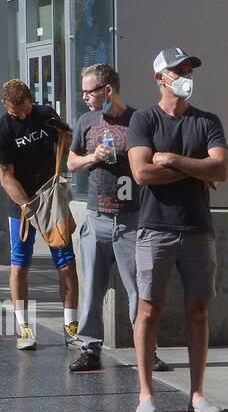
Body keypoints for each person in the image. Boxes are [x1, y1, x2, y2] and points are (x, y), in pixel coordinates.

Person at [126, 48, 228, 412]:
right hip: (154, 229)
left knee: (198, 311)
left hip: (197, 229)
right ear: (160, 78)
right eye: (178, 70)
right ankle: (145, 394)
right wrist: (196, 168)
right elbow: (141, 174)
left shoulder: (207, 121)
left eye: (188, 69)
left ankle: (197, 393)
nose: (186, 75)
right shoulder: (144, 120)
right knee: (148, 309)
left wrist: (170, 159)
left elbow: (220, 169)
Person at [66, 63, 167, 374]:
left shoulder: (138, 120)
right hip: (96, 216)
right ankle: (90, 348)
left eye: (89, 91)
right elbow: (71, 162)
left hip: (131, 219)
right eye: (82, 92)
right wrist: (91, 157)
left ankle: (146, 349)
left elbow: (152, 161)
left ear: (107, 90)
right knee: (92, 286)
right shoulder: (86, 121)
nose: (84, 97)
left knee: (139, 288)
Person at [0, 79, 78, 351]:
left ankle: (71, 326)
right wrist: (27, 205)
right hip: (22, 202)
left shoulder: (45, 114)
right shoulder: (1, 130)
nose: (25, 116)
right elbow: (5, 177)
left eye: (27, 108)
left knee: (66, 261)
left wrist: (65, 135)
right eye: (18, 112)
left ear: (32, 100)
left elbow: (67, 137)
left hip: (50, 196)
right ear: (6, 106)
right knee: (20, 263)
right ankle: (24, 327)